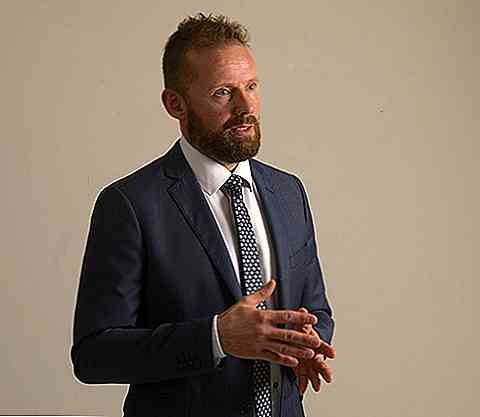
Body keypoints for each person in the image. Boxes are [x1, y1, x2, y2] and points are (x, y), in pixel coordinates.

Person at [71, 13, 335, 417]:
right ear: (175, 103)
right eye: (222, 93)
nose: (246, 107)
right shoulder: (130, 205)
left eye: (251, 86)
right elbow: (94, 354)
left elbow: (317, 310)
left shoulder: (288, 192)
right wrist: (215, 338)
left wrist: (305, 343)